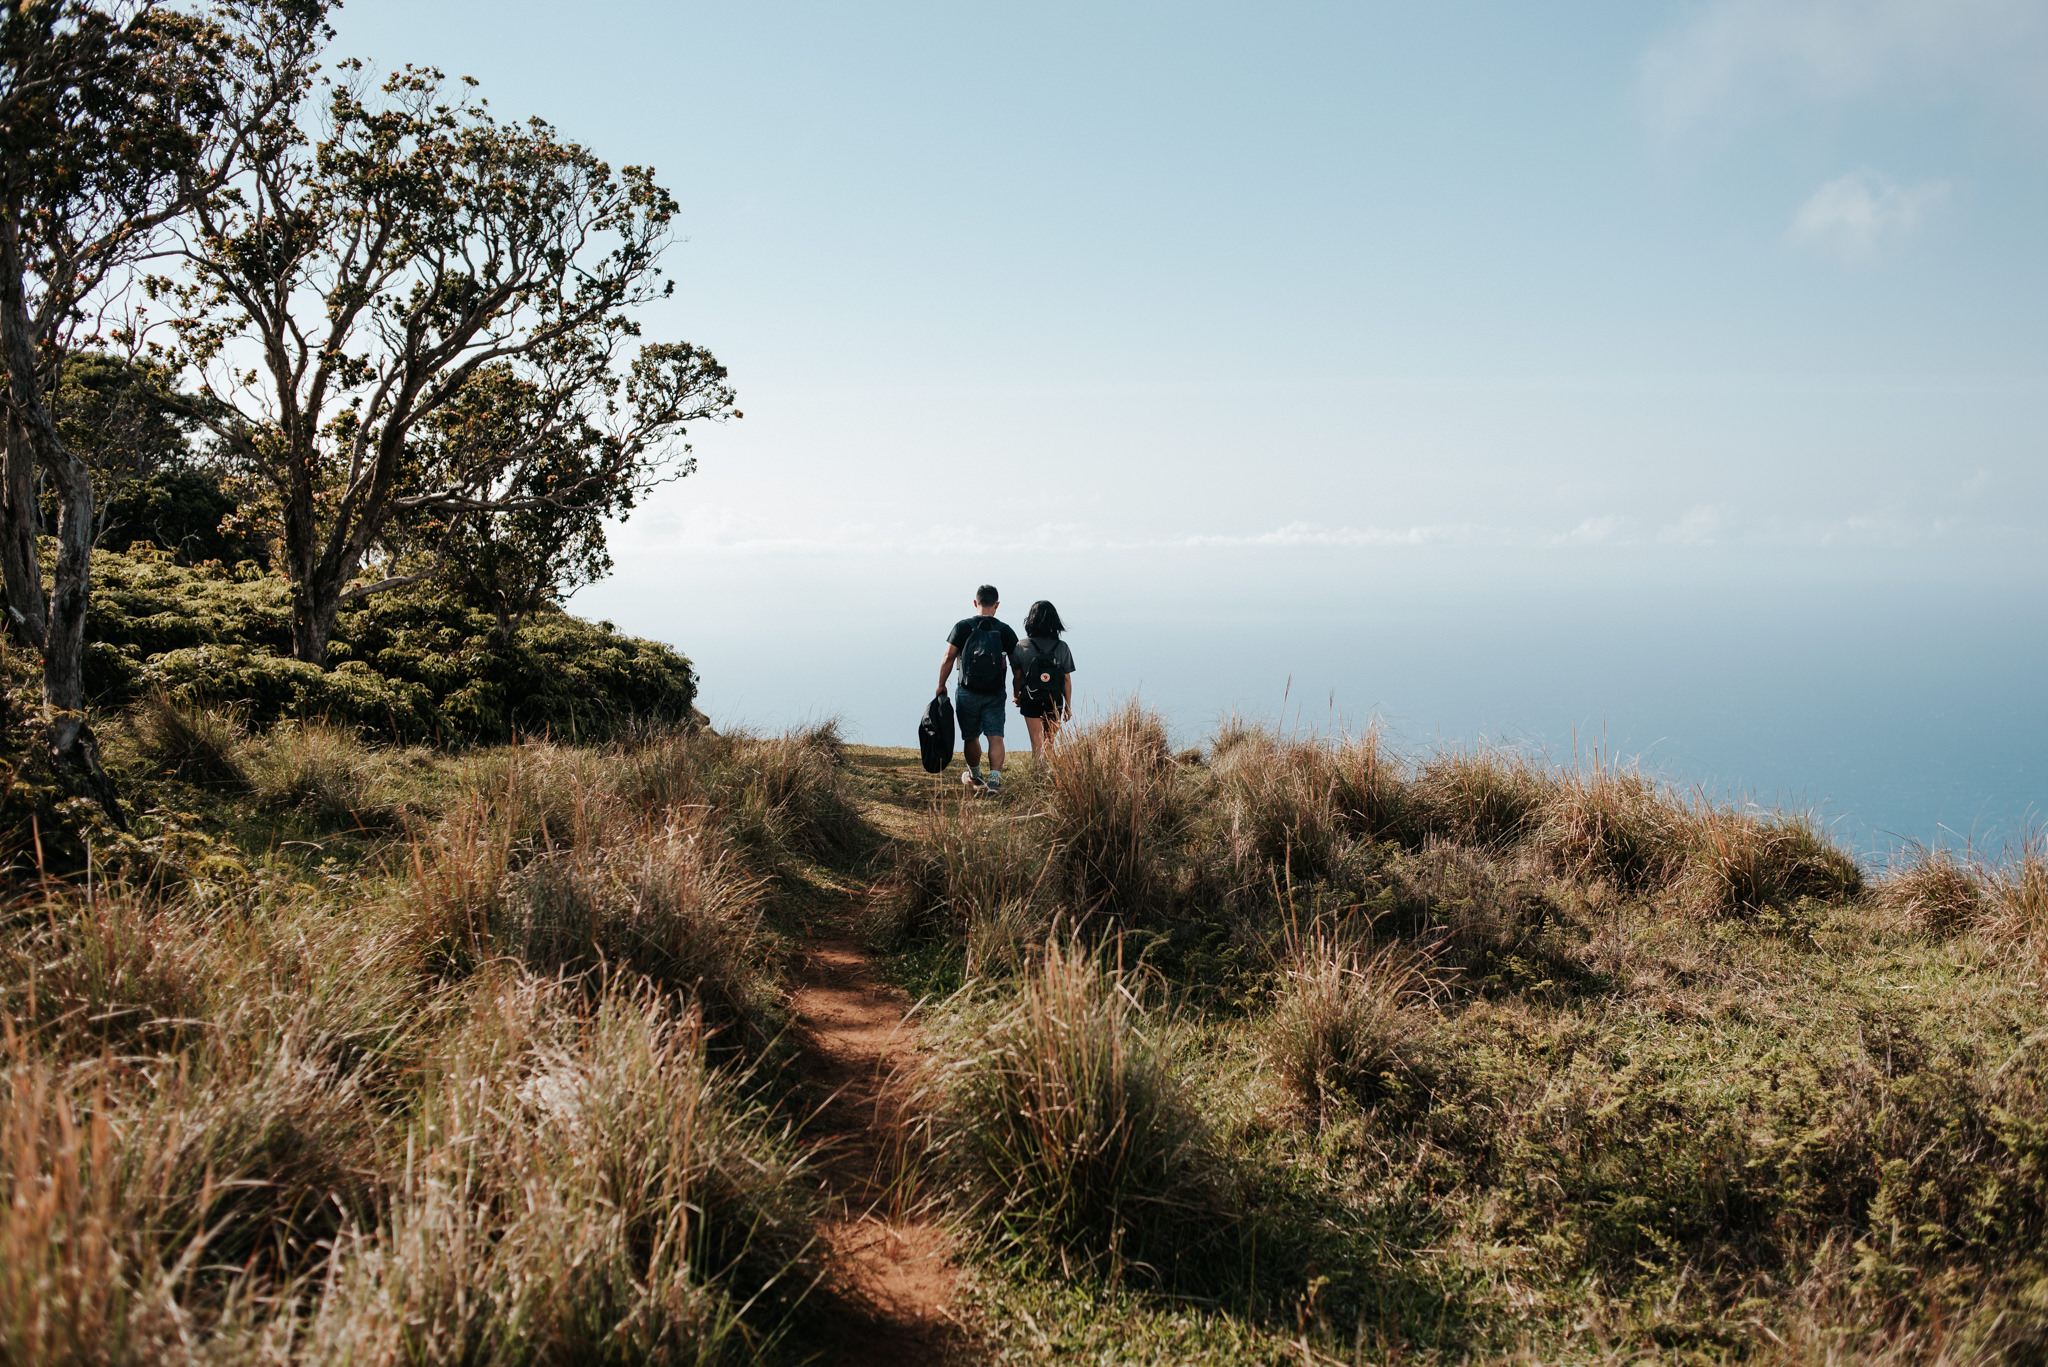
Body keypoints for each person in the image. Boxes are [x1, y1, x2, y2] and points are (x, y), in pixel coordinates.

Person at [937, 584, 1017, 792]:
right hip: (995, 692)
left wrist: (941, 685)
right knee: (995, 736)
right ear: (997, 605)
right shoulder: (1005, 630)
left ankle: (975, 777)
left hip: (967, 691)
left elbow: (948, 658)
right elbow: (1018, 666)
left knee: (971, 736)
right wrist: (1017, 691)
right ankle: (995, 781)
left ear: (975, 602)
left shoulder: (962, 627)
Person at [1012, 600, 1075, 763]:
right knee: (1049, 746)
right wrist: (1067, 706)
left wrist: (1017, 694)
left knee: (1037, 746)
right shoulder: (1062, 647)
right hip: (1054, 700)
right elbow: (1067, 678)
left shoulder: (1022, 645)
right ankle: (1049, 782)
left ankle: (1037, 782)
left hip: (1031, 699)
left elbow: (1017, 676)